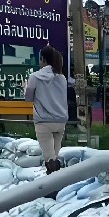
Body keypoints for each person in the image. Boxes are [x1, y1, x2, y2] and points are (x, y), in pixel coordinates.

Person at [23, 46, 69, 175]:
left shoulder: (35, 77)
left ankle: (53, 189)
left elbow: (28, 98)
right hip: (60, 121)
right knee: (55, 155)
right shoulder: (61, 77)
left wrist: (25, 87)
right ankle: (58, 185)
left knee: (49, 158)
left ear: (42, 59)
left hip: (43, 122)